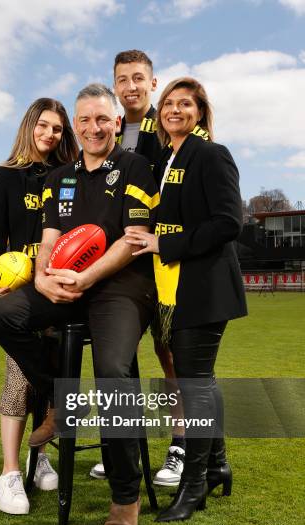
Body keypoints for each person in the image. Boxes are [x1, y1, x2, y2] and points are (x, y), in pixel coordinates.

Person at [0, 84, 159, 525]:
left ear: (116, 123)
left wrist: (86, 278)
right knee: (2, 316)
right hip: (64, 281)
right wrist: (42, 278)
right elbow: (49, 238)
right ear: (77, 126)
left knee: (112, 371)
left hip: (120, 286)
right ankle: (61, 402)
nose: (93, 127)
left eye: (102, 119)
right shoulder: (59, 177)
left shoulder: (136, 167)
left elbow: (133, 237)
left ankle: (125, 500)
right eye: (84, 120)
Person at [125, 77, 247, 522]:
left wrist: (164, 244)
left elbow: (229, 222)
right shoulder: (171, 159)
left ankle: (193, 485)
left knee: (196, 385)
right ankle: (216, 465)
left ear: (200, 112)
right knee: (202, 381)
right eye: (169, 104)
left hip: (206, 288)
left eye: (185, 104)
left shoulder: (211, 153)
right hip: (180, 290)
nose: (175, 110)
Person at [0, 98, 79, 515]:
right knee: (21, 377)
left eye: (57, 128)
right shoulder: (3, 176)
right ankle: (10, 473)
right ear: (29, 126)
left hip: (59, 288)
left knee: (48, 367)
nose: (49, 134)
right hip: (20, 291)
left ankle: (41, 458)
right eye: (43, 126)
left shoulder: (69, 176)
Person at [89, 49, 186, 486]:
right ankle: (122, 451)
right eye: (122, 79)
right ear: (114, 85)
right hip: (116, 268)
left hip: (162, 262)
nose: (130, 86)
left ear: (153, 81)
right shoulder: (105, 129)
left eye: (138, 78)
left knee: (172, 358)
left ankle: (181, 446)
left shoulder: (165, 129)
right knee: (120, 361)